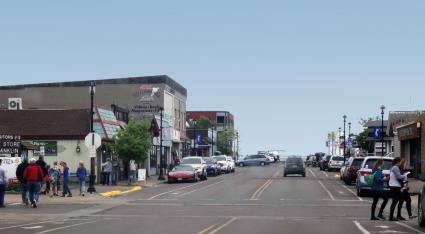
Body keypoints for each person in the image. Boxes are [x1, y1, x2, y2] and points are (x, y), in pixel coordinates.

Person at [389, 157, 407, 221]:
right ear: (398, 162)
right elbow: (398, 177)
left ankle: (398, 215)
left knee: (401, 199)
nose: (400, 163)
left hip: (395, 186)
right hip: (395, 186)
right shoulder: (395, 168)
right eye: (400, 162)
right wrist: (404, 176)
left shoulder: (394, 167)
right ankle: (391, 217)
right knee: (395, 201)